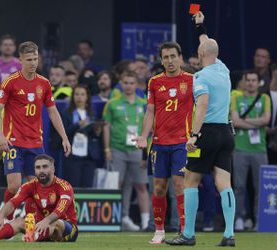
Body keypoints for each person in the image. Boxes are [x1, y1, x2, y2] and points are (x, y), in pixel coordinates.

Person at [165, 11, 235, 246]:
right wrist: (200, 26)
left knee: (190, 182)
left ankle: (188, 234)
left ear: (200, 55)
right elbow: (207, 44)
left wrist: (193, 135)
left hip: (206, 134)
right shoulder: (223, 69)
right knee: (224, 183)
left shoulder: (201, 77)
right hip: (226, 133)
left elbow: (202, 104)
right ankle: (229, 235)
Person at [0, 41, 70, 220]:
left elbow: (52, 111)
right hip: (13, 142)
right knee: (14, 186)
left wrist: (64, 137)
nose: (33, 62)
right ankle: (7, 221)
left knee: (36, 186)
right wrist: (0, 135)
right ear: (20, 59)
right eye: (29, 59)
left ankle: (31, 223)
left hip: (35, 143)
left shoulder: (44, 83)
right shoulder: (10, 82)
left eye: (35, 58)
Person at [134, 41, 194, 243]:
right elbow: (150, 111)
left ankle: (185, 230)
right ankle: (159, 230)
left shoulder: (193, 80)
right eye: (165, 57)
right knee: (159, 187)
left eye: (172, 56)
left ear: (180, 58)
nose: (169, 60)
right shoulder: (154, 82)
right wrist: (144, 135)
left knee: (180, 185)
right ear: (161, 60)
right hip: (159, 143)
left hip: (182, 143)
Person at [0, 154, 78, 242]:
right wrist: (0, 217)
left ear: (53, 169)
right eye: (38, 168)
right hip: (39, 226)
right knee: (20, 221)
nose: (41, 170)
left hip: (66, 230)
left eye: (45, 167)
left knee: (54, 222)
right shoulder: (29, 186)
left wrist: (46, 221)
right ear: (34, 170)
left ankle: (34, 235)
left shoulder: (64, 186)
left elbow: (61, 209)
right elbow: (13, 202)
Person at [103, 71, 150, 231]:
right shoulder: (113, 103)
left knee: (141, 185)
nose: (128, 86)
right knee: (117, 185)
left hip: (138, 149)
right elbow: (106, 127)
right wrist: (107, 148)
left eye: (131, 83)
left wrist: (146, 153)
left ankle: (146, 222)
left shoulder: (144, 103)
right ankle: (117, 219)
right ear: (121, 84)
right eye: (126, 83)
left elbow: (149, 130)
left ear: (136, 85)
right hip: (117, 149)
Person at [230, 70, 271, 230]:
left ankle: (259, 220)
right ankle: (239, 218)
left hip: (260, 149)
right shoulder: (236, 97)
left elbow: (266, 120)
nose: (251, 83)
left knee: (260, 187)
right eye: (248, 80)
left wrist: (244, 121)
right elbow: (235, 121)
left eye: (254, 80)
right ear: (244, 82)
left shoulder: (264, 98)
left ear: (258, 82)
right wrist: (256, 123)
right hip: (239, 148)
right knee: (239, 186)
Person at [62, 85, 100, 187]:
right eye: (77, 94)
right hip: (73, 157)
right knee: (73, 188)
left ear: (87, 97)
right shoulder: (66, 113)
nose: (79, 97)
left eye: (82, 94)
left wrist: (97, 131)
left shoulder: (91, 113)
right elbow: (64, 133)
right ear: (73, 96)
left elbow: (94, 136)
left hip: (89, 157)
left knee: (87, 188)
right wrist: (78, 124)